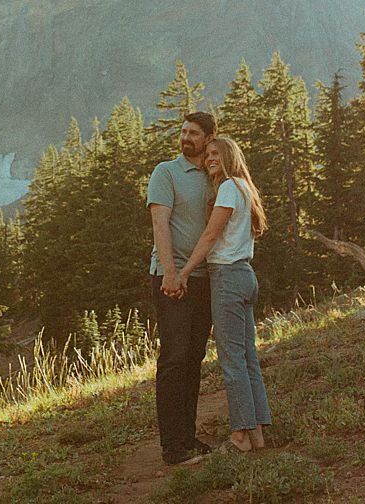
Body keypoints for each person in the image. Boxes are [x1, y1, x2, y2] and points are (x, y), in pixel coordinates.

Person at [176, 135, 271, 454]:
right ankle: (257, 433)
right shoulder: (246, 188)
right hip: (245, 275)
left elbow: (210, 235)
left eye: (216, 153)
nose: (209, 159)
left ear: (230, 156)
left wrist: (184, 270)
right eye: (207, 155)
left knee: (232, 361)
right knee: (247, 358)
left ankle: (241, 437)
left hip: (227, 277)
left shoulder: (229, 188)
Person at [147, 111, 218, 465]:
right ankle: (172, 447)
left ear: (208, 138)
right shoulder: (166, 172)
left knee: (194, 358)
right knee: (174, 359)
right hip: (171, 277)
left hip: (204, 277)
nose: (186, 137)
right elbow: (160, 224)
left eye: (193, 133)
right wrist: (171, 273)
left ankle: (187, 439)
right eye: (183, 131)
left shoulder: (213, 175)